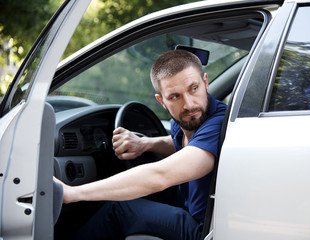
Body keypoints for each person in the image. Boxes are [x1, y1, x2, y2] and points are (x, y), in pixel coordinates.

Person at [58, 49, 227, 240]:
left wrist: (72, 193)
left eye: (193, 89)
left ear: (205, 82)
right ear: (161, 101)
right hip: (191, 210)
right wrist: (145, 144)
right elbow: (184, 143)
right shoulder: (185, 121)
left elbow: (160, 176)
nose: (188, 104)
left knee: (120, 208)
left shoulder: (219, 123)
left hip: (206, 232)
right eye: (175, 96)